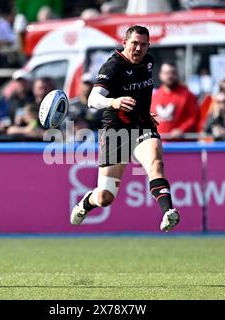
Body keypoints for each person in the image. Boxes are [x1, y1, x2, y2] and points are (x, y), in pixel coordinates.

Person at [70, 25, 180, 232]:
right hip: (116, 130)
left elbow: (141, 93)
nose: (138, 48)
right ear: (124, 43)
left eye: (143, 44)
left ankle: (168, 212)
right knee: (105, 197)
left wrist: (144, 113)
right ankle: (87, 201)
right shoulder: (113, 67)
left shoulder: (148, 61)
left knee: (155, 163)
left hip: (142, 125)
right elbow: (93, 100)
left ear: (148, 46)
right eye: (134, 44)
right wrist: (113, 102)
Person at [150, 62, 199, 140]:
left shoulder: (188, 95)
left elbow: (194, 117)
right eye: (166, 73)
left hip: (179, 146)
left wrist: (181, 129)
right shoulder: (154, 96)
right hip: (158, 143)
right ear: (160, 75)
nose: (169, 76)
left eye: (172, 73)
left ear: (177, 74)